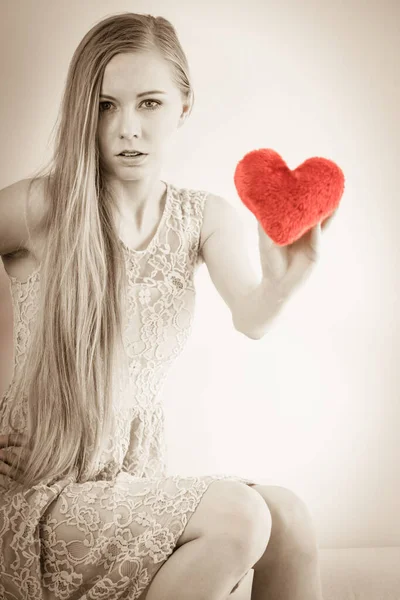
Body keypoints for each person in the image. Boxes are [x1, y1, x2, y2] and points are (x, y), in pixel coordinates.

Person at [0, 12, 328, 600]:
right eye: (105, 105)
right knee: (242, 517)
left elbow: (252, 318)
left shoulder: (200, 218)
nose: (127, 128)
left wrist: (287, 281)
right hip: (37, 491)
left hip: (129, 481)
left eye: (149, 103)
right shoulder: (44, 206)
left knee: (290, 521)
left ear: (183, 106)